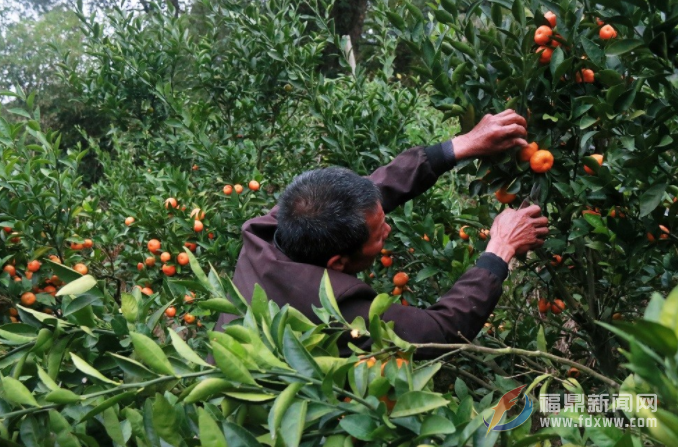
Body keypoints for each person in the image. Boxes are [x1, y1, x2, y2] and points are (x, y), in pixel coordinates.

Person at [215, 109, 549, 358]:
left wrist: (460, 145)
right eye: (378, 235)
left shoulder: (279, 226)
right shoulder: (333, 310)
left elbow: (371, 192)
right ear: (338, 263)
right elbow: (439, 332)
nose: (388, 228)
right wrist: (500, 250)